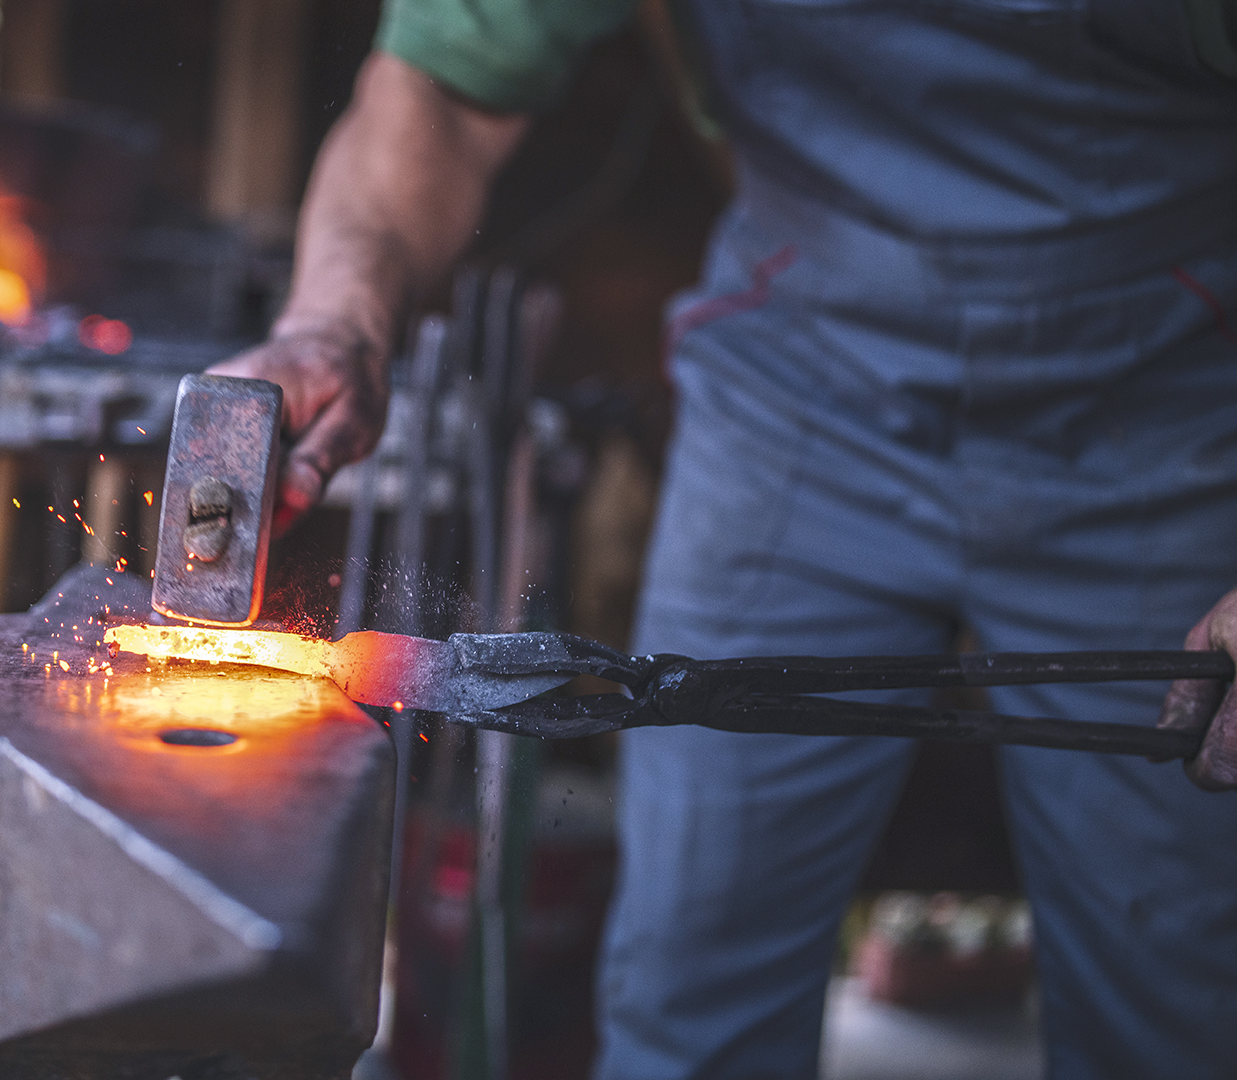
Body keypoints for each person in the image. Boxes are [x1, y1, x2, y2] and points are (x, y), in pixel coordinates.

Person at [211, 1, 1237, 1076]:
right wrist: (333, 316)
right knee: (693, 985)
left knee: (1170, 999)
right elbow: (439, 90)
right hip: (801, 395)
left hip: (1172, 398)